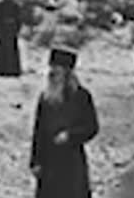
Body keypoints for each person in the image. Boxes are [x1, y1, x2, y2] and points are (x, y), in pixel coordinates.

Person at [30, 47, 99, 198]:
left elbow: (92, 127)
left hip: (71, 160)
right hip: (49, 160)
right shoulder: (46, 98)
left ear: (67, 73)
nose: (52, 73)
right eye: (51, 68)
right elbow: (38, 131)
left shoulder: (82, 96)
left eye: (57, 69)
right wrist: (35, 161)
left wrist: (70, 136)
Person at [0, 0, 22, 77]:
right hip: (3, 30)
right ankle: (1, 70)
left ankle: (12, 71)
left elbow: (18, 19)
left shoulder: (15, 6)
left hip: (11, 30)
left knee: (11, 50)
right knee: (2, 50)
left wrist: (17, 29)